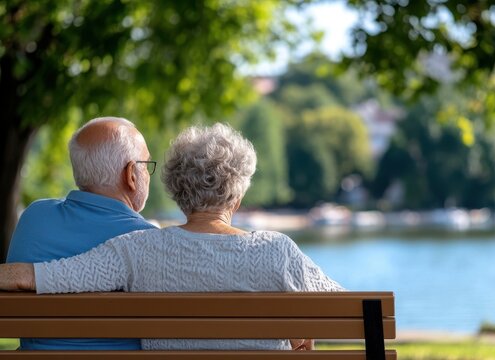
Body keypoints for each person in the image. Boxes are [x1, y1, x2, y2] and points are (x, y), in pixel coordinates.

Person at [1, 123, 343, 351]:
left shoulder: (136, 249)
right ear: (237, 198)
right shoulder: (278, 251)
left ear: (178, 193)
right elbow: (351, 311)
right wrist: (299, 324)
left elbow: (50, 275)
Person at [6, 117, 157, 350]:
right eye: (146, 165)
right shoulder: (147, 241)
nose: (147, 173)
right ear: (131, 175)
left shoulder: (34, 218)